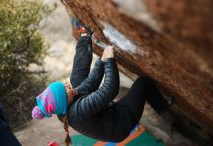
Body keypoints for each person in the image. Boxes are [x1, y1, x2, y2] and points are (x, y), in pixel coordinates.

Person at [32, 25, 173, 144]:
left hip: (112, 115)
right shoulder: (78, 111)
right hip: (122, 122)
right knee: (143, 82)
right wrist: (110, 61)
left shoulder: (65, 106)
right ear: (63, 100)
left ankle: (84, 35)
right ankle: (163, 109)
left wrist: (102, 61)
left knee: (78, 81)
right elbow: (110, 90)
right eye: (64, 88)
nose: (66, 84)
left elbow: (89, 84)